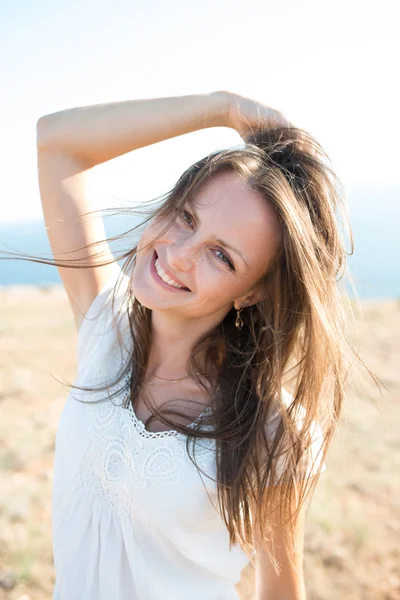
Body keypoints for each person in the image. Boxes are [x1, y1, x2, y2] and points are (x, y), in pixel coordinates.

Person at [33, 91, 358, 599]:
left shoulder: (272, 427)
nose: (178, 255)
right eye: (186, 217)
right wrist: (219, 108)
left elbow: (280, 585)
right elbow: (56, 142)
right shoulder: (106, 329)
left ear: (251, 292)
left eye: (221, 257)